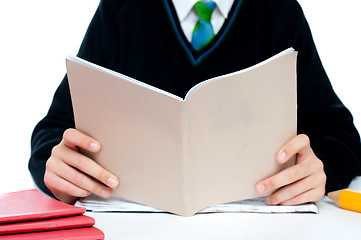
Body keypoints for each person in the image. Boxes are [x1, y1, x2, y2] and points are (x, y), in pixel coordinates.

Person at [29, 0, 361, 206]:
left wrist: (321, 171)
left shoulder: (278, 11)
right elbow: (54, 130)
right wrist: (58, 169)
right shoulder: (121, 9)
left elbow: (340, 135)